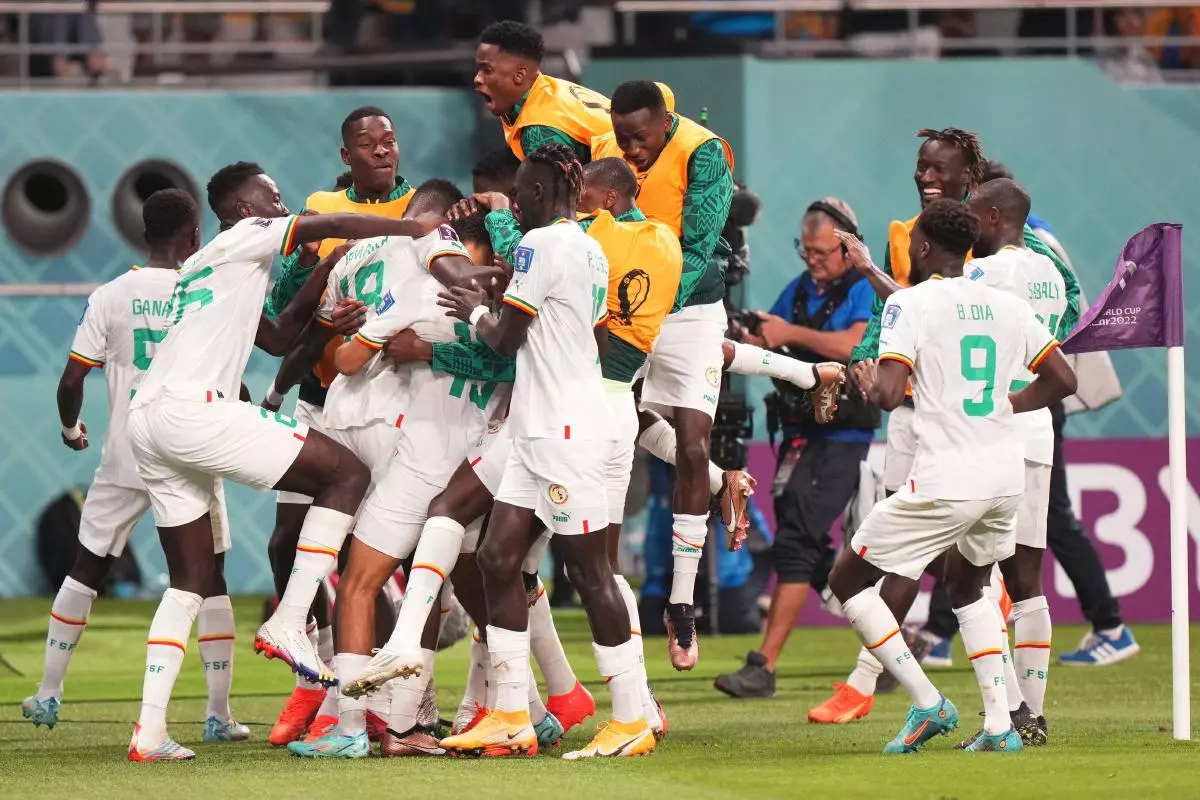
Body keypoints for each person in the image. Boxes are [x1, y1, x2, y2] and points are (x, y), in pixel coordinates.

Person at [122, 161, 440, 761]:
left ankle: (151, 730)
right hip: (197, 411)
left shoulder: (207, 262)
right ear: (246, 208)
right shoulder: (249, 234)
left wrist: (322, 286)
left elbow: (276, 337)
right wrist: (409, 226)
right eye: (272, 194)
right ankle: (292, 619)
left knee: (189, 580)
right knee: (346, 472)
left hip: (150, 422)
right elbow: (333, 218)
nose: (283, 201)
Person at [826, 198, 1077, 754]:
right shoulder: (1006, 305)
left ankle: (926, 701)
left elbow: (891, 395)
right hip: (1004, 477)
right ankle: (998, 728)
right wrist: (1011, 403)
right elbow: (1063, 377)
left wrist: (869, 384)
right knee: (968, 586)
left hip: (944, 480)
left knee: (847, 580)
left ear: (920, 246)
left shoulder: (909, 304)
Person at [435, 142, 654, 760]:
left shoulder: (539, 245)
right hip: (540, 430)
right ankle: (509, 713)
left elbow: (505, 339)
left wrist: (477, 310)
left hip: (563, 433)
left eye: (520, 195)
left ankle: (631, 718)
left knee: (590, 572)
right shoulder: (588, 247)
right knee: (498, 559)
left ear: (533, 195)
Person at [283, 186, 505, 761]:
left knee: (361, 582)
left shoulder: (415, 280)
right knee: (494, 583)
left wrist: (387, 346)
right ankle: (519, 707)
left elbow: (350, 361)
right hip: (486, 466)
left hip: (419, 455)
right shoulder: (513, 297)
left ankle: (359, 725)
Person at [23, 191, 246, 745]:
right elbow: (233, 382)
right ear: (195, 237)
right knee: (206, 577)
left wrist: (71, 430)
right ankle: (217, 714)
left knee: (86, 568)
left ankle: (49, 692)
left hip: (126, 451)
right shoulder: (205, 292)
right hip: (190, 448)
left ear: (142, 235)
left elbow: (72, 380)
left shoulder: (110, 296)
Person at [261, 105, 417, 748]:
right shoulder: (321, 210)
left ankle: (362, 697)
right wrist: (325, 310)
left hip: (389, 400)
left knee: (361, 558)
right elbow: (283, 316)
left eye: (390, 140)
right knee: (284, 544)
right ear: (346, 154)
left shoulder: (424, 212)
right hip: (321, 396)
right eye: (368, 143)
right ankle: (314, 674)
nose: (383, 150)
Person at [592, 79, 735, 669]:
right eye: (621, 138)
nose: (630, 149)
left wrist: (657, 297)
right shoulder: (608, 146)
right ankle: (604, 580)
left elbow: (699, 244)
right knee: (607, 422)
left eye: (640, 138)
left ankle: (681, 602)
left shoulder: (706, 152)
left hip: (689, 309)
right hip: (624, 308)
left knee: (693, 446)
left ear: (665, 121)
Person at [713, 199, 876, 699]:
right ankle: (890, 646)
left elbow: (858, 344)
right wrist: (751, 334)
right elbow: (774, 334)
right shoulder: (803, 288)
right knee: (804, 541)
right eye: (805, 251)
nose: (812, 260)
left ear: (848, 246)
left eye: (822, 252)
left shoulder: (867, 287)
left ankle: (764, 664)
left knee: (798, 540)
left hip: (844, 434)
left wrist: (789, 333)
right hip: (801, 429)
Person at [944, 177, 1065, 746]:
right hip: (1038, 436)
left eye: (971, 216)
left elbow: (935, 310)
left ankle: (1008, 710)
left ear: (993, 217)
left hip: (994, 435)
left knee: (974, 577)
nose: (967, 227)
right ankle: (1033, 714)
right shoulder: (1049, 272)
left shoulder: (985, 273)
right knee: (1028, 579)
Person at [474, 20, 611, 163]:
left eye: (487, 70)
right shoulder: (551, 89)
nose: (477, 78)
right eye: (478, 70)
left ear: (519, 75)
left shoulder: (539, 130)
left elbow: (558, 185)